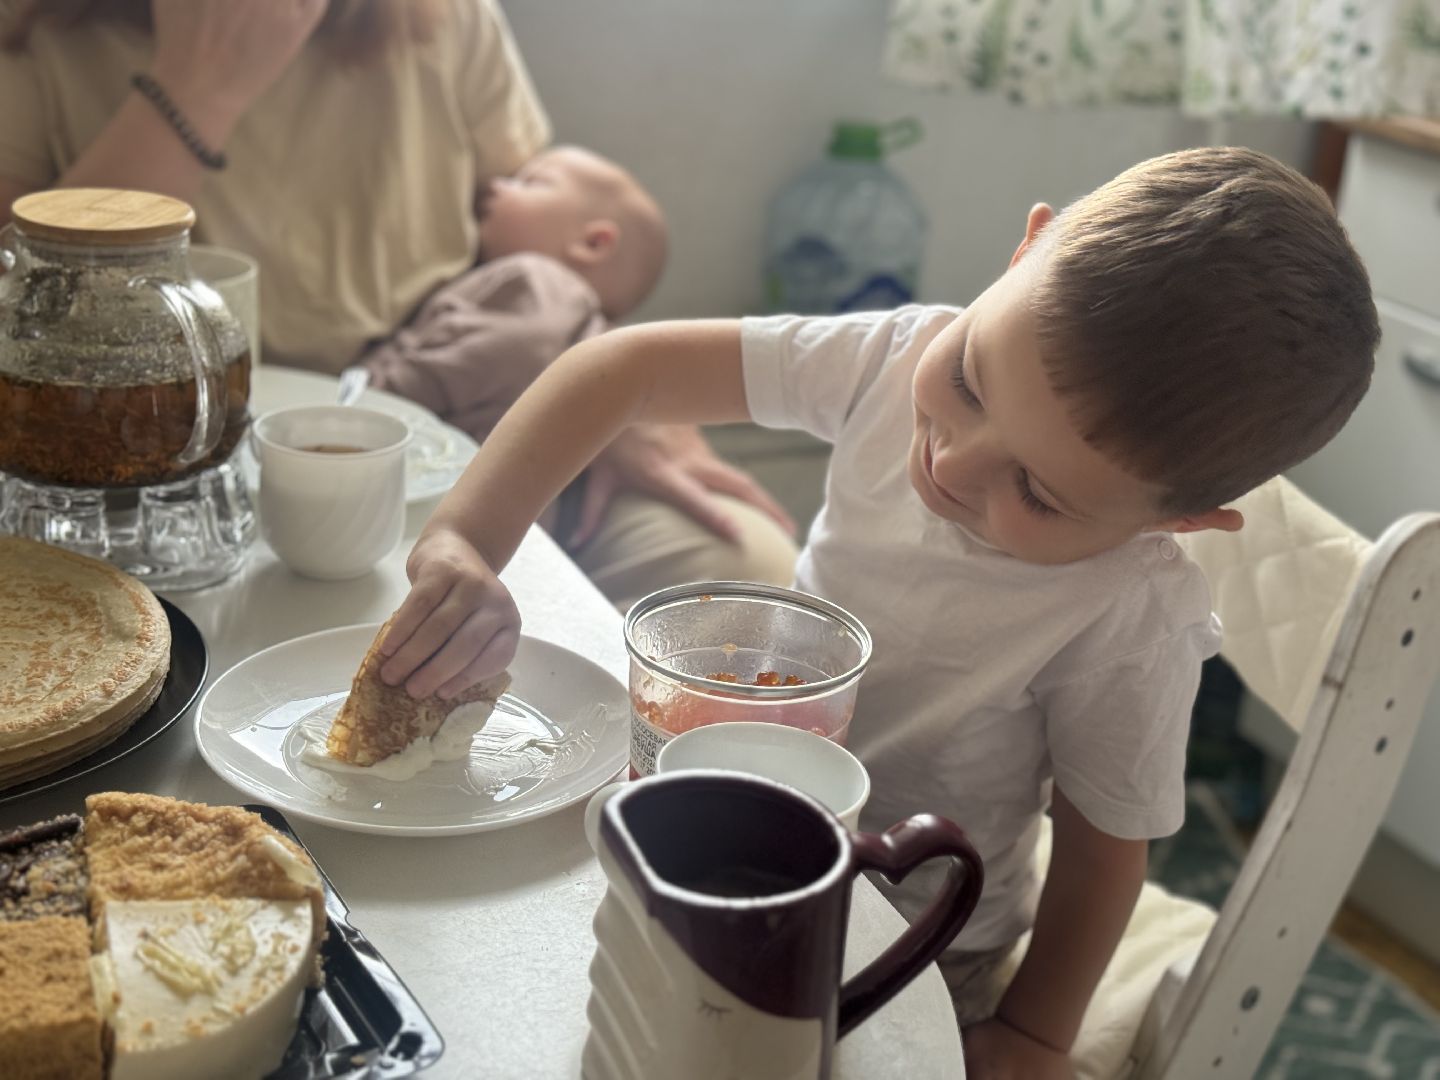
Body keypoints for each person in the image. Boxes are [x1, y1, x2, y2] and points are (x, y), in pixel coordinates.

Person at [373, 147, 1379, 1077]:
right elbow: (626, 370)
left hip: (915, 942)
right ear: (1025, 249)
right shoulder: (894, 355)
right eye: (972, 381)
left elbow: (1103, 851)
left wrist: (1032, 1031)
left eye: (1036, 491)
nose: (952, 461)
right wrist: (467, 537)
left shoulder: (1131, 608)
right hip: (742, 828)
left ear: (1187, 520)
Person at [0, 0, 797, 607]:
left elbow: (551, 254)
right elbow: (35, 333)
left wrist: (618, 399)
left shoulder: (438, 17)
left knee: (743, 576)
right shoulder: (40, 49)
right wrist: (199, 85)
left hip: (466, 429)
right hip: (182, 473)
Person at [356, 143, 671, 547]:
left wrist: (384, 390)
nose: (495, 186)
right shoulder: (575, 319)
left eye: (531, 183)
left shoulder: (541, 281)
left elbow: (509, 351)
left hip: (427, 489)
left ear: (592, 243)